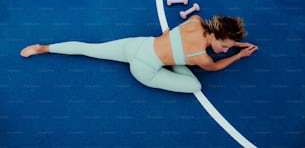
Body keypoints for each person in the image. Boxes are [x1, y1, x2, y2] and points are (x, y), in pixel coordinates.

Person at [20, 15, 258, 93]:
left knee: (89, 48)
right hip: (143, 70)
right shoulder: (203, 58)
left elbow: (176, 32)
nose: (226, 50)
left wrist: (235, 44)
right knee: (195, 86)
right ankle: (173, 61)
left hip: (137, 45)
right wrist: (238, 56)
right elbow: (215, 68)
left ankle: (42, 48)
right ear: (215, 36)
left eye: (229, 48)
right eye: (225, 46)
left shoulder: (195, 20)